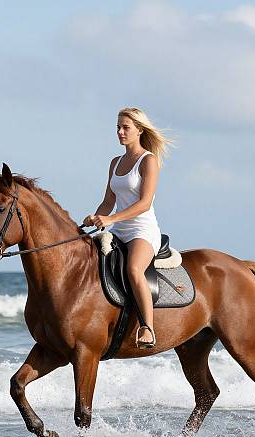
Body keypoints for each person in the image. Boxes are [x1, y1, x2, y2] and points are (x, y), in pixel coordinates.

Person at [83, 107, 172, 348]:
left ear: (140, 130)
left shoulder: (148, 161)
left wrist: (110, 220)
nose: (120, 132)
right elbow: (108, 201)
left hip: (142, 230)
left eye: (126, 128)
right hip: (119, 230)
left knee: (134, 269)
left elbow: (144, 203)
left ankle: (147, 328)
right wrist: (94, 217)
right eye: (118, 127)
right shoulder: (115, 162)